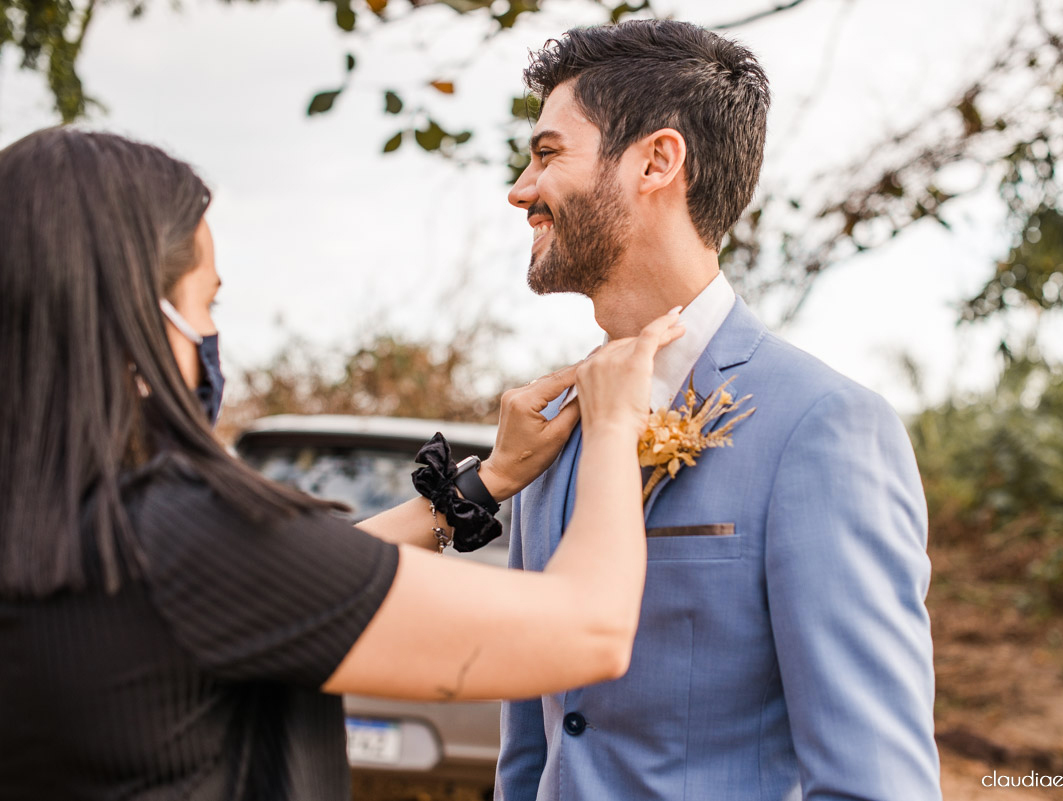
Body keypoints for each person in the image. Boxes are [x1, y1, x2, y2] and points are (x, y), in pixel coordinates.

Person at [0, 126, 685, 801]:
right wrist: (613, 424)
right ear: (132, 319)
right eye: (205, 303)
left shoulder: (63, 522)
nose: (212, 335)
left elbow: (291, 580)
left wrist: (481, 485)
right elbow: (586, 629)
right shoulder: (175, 533)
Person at [496, 20, 942, 801]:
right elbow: (531, 753)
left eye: (547, 153)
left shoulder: (823, 426)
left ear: (657, 161)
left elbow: (876, 784)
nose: (521, 188)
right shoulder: (551, 427)